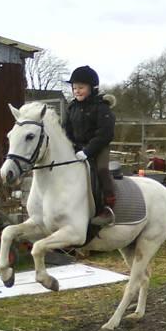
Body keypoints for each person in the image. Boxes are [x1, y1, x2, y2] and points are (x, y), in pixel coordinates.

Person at [64, 65, 116, 226]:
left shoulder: (101, 107)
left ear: (92, 88)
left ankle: (108, 207)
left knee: (101, 169)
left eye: (81, 87)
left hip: (99, 147)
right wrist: (71, 147)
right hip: (77, 148)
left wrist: (87, 151)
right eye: (74, 88)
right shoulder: (71, 107)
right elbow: (66, 131)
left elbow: (105, 134)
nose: (77, 91)